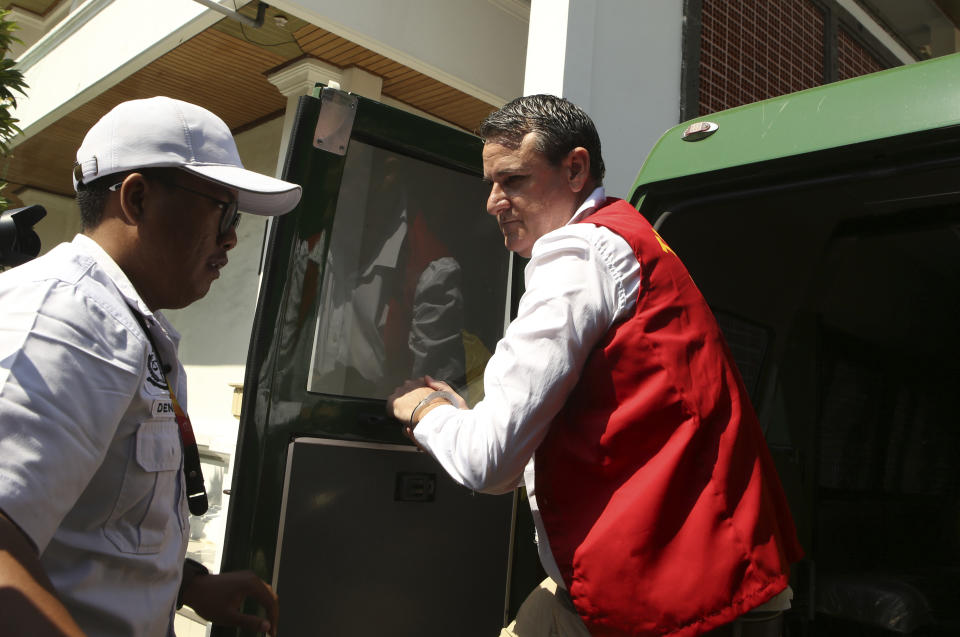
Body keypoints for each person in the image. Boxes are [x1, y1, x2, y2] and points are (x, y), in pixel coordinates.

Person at [387, 94, 803, 637]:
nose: (493, 201)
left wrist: (426, 410)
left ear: (576, 168)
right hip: (671, 576)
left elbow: (489, 462)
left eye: (512, 180)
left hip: (652, 598)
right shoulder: (628, 236)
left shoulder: (577, 256)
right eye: (490, 183)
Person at [0, 96, 301, 636]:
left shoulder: (125, 324)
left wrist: (185, 584)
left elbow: (92, 521)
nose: (232, 236)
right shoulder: (64, 318)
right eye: (223, 211)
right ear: (137, 198)